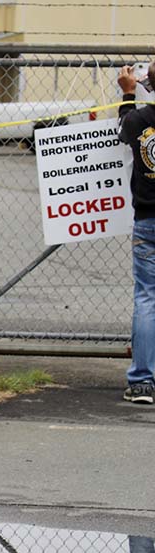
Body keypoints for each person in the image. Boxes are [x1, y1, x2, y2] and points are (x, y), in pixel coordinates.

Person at [117, 63, 155, 405]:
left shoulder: (139, 120)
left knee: (147, 298)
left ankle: (143, 381)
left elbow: (122, 128)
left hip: (147, 218)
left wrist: (128, 93)